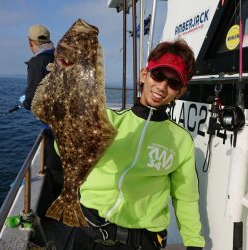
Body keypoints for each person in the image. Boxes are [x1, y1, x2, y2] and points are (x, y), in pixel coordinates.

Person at [73, 39, 206, 250]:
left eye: (173, 83)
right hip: (89, 230)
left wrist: (194, 243)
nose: (162, 87)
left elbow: (185, 198)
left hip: (142, 242)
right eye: (158, 75)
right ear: (144, 75)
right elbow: (67, 150)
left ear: (180, 92)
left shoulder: (181, 141)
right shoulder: (108, 120)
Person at [22, 24, 63, 217]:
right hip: (70, 123)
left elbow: (31, 98)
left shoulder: (37, 63)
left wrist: (25, 102)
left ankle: (59, 209)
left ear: (31, 43)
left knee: (55, 166)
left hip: (55, 126)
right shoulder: (61, 58)